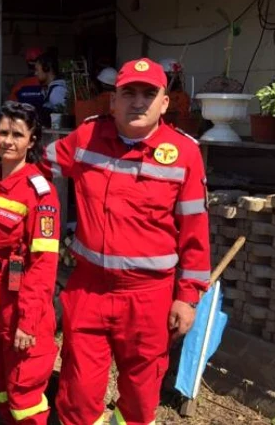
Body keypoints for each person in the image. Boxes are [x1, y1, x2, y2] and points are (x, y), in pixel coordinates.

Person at [43, 58, 210, 425]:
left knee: (140, 395)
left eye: (149, 94)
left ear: (165, 103)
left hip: (149, 296)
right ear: (112, 101)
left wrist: (188, 295)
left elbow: (195, 231)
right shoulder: (86, 137)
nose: (138, 102)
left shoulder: (185, 153)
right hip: (89, 288)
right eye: (128, 93)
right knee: (78, 392)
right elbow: (36, 166)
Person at [0, 101, 60, 424]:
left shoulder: (40, 193)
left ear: (32, 140)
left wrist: (27, 320)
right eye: (3, 133)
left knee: (24, 390)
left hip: (20, 299)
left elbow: (43, 264)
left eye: (17, 135)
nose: (8, 141)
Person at [34, 51, 68, 125]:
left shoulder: (57, 92)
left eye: (37, 70)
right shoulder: (49, 90)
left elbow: (65, 117)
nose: (35, 73)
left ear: (46, 68)